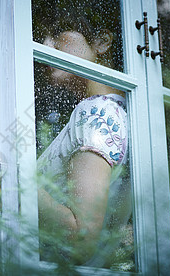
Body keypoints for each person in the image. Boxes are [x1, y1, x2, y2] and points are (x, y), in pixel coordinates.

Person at [36, 27, 129, 265]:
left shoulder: (97, 113)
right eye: (43, 38)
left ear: (103, 40)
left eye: (57, 33)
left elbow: (81, 239)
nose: (46, 45)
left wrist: (14, 182)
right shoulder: (116, 112)